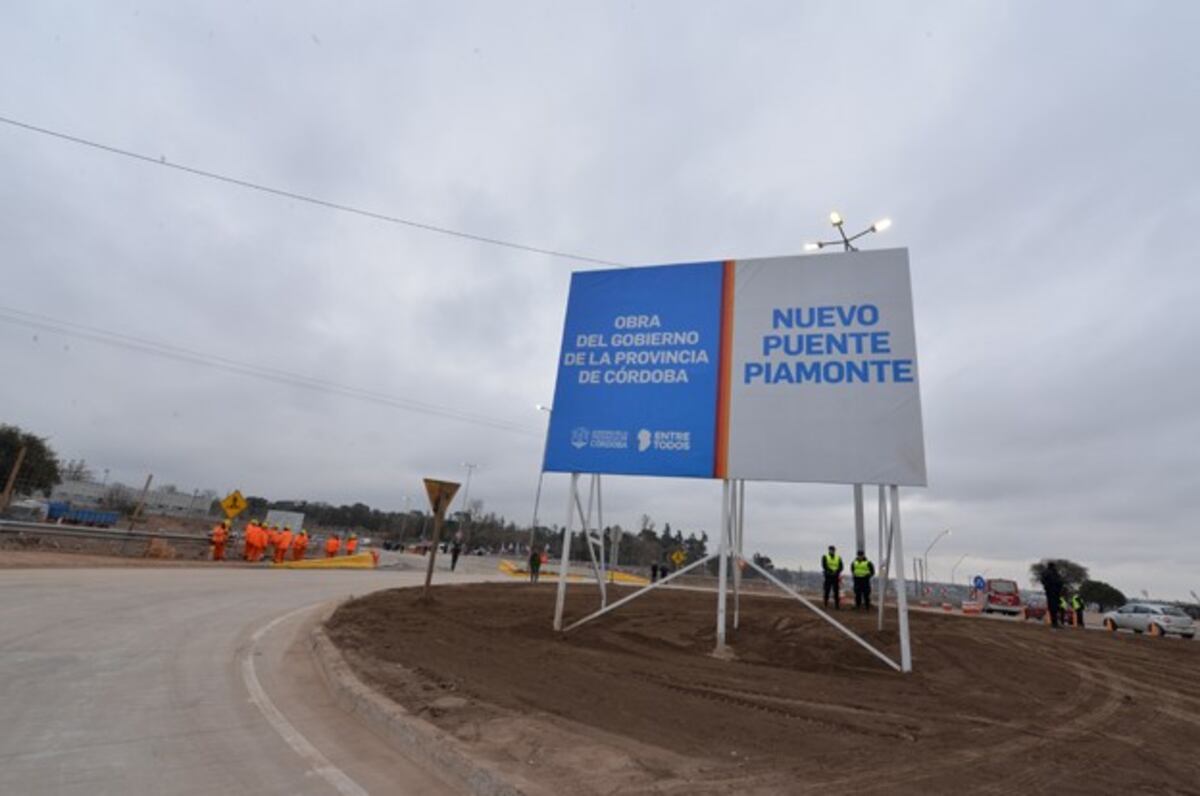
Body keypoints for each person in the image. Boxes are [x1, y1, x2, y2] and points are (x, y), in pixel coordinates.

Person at [1040, 561, 1064, 629]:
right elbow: (1059, 581)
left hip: (1050, 592)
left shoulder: (1045, 572)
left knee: (1052, 607)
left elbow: (1043, 581)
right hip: (1055, 592)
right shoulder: (1054, 573)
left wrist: (1046, 586)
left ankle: (1054, 623)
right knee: (1054, 607)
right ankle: (1055, 623)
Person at [821, 545, 844, 610]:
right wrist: (830, 570)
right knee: (827, 590)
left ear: (834, 550)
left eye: (833, 550)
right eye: (831, 550)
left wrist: (837, 571)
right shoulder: (825, 557)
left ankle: (837, 605)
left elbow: (841, 566)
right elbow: (824, 565)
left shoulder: (838, 557)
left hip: (835, 577)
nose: (832, 551)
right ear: (829, 550)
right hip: (828, 576)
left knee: (836, 591)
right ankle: (825, 603)